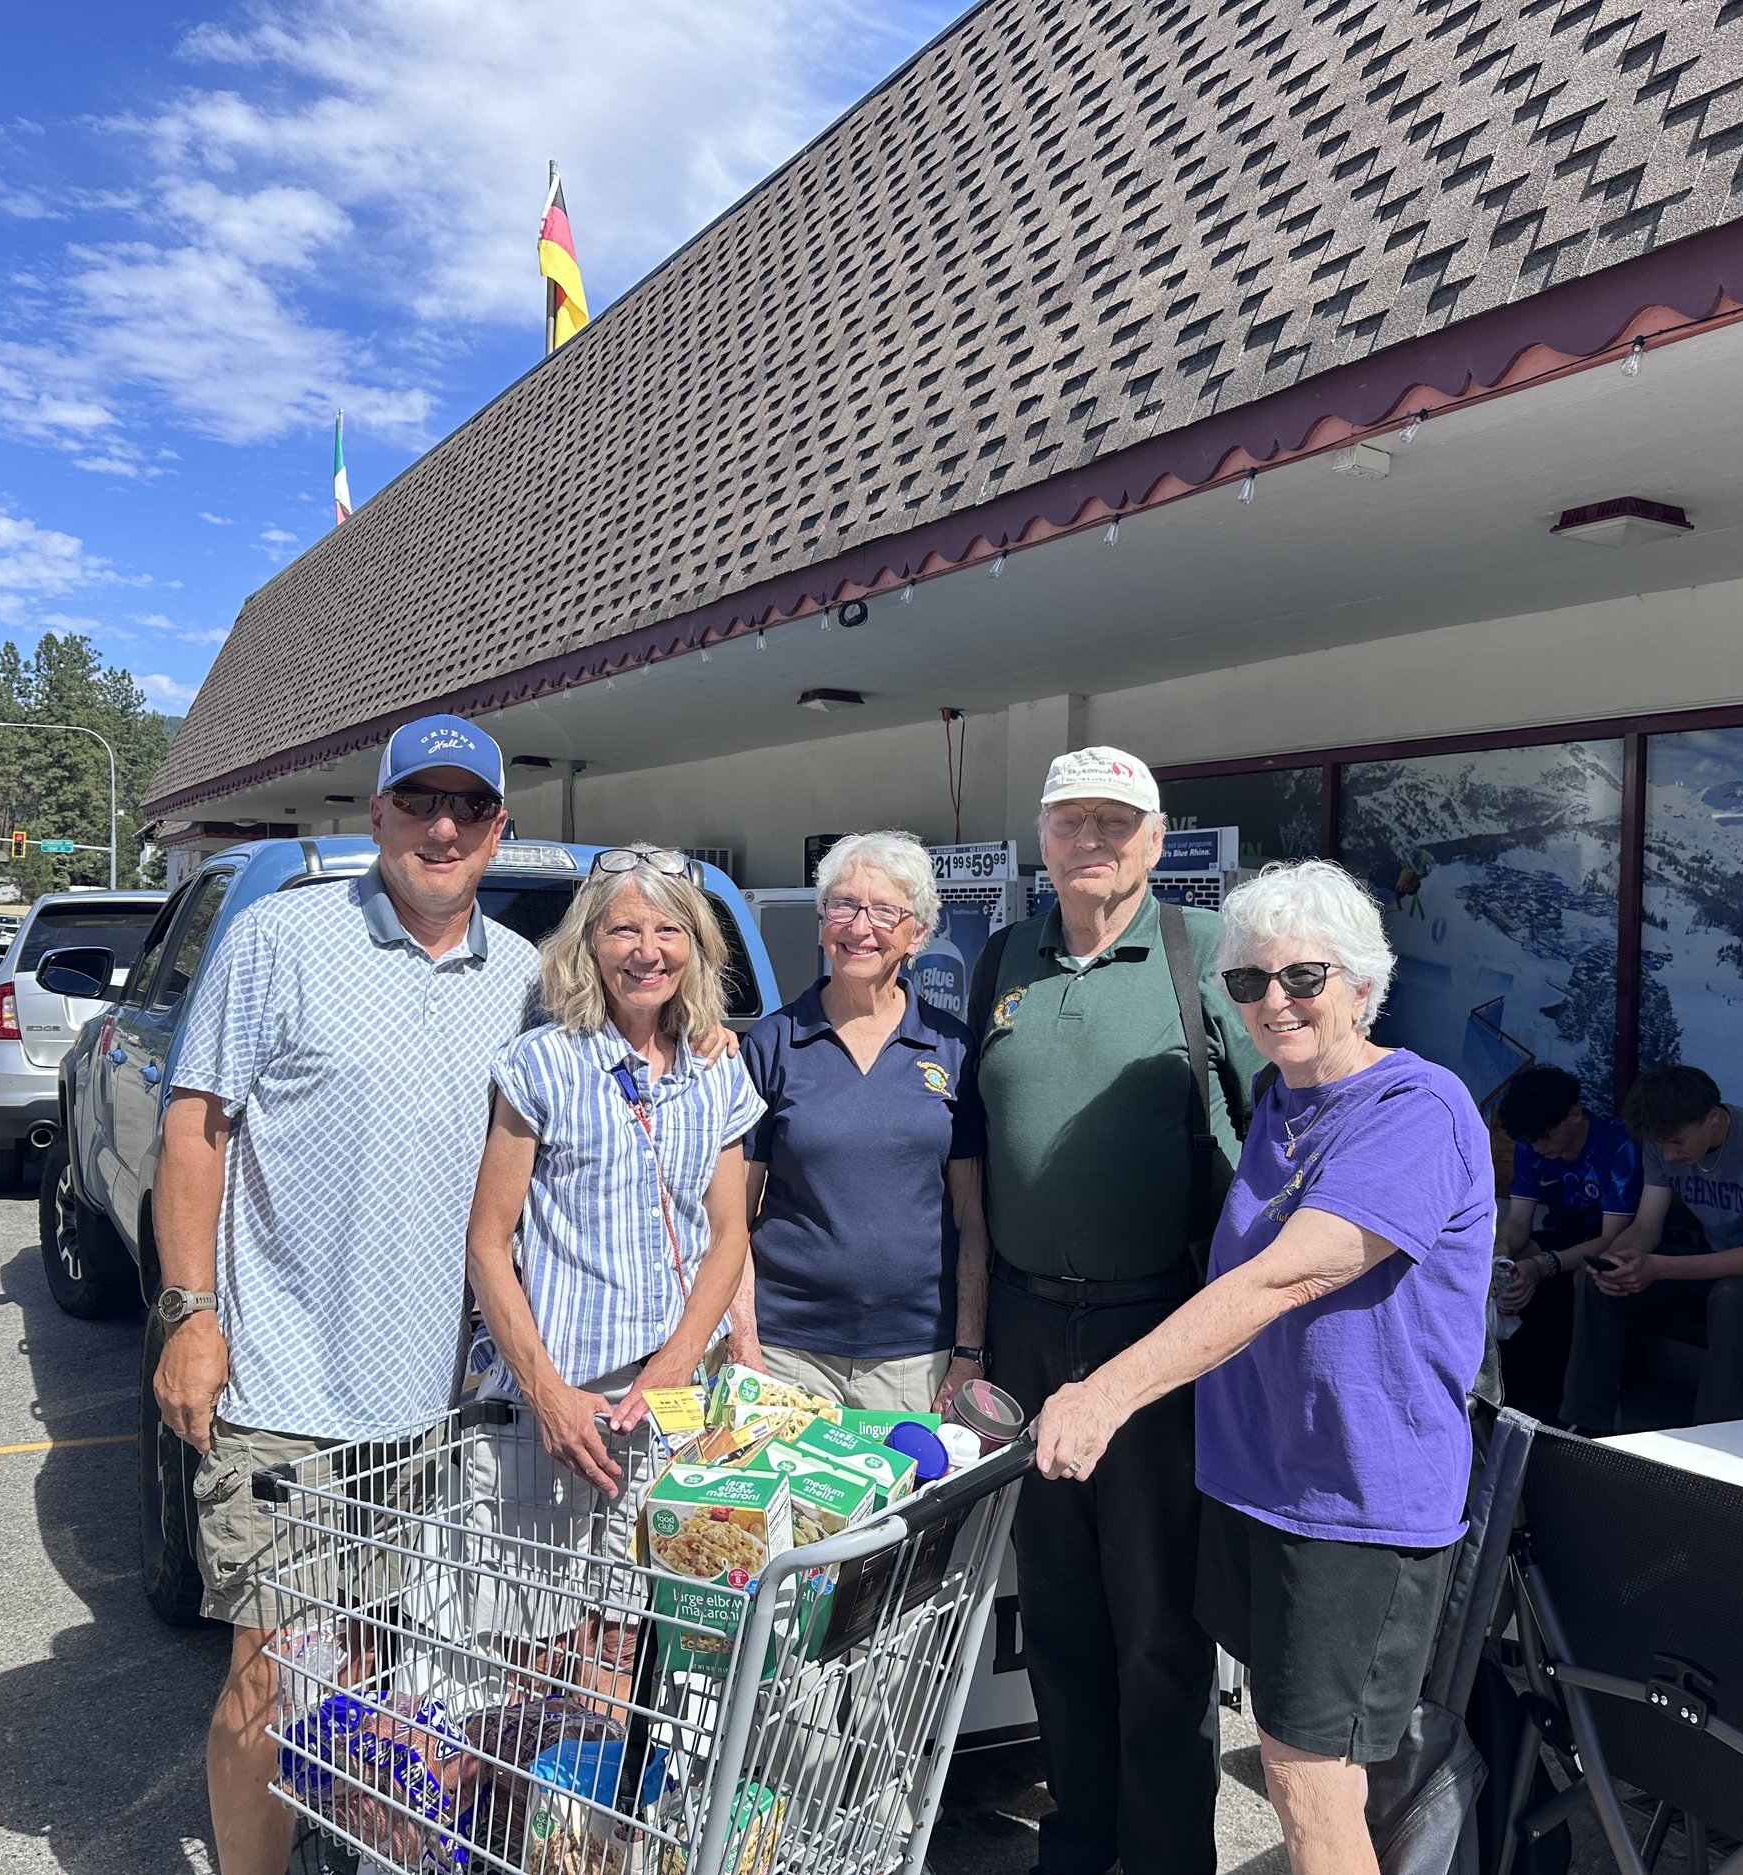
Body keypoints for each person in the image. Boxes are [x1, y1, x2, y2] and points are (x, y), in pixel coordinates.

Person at [1034, 860, 1493, 1875]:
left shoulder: (1416, 1106)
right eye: (1248, 982)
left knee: (1304, 1775)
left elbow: (1289, 1276)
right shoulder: (1281, 1102)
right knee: (1303, 1762)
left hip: (1353, 1499)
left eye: (1302, 977)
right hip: (1258, 1484)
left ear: (1362, 983)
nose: (1273, 1001)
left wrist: (1106, 1392)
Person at [153, 714, 539, 1875]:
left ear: (498, 829)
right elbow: (194, 1131)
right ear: (375, 814)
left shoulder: (523, 976)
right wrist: (190, 1314)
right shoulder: (281, 936)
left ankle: (332, 1842)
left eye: (468, 806)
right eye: (419, 801)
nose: (442, 827)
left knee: (365, 1664)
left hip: (432, 1405)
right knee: (272, 1676)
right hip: (283, 1387)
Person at [962, 746, 1262, 1875]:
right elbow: (971, 1145)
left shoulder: (1205, 954)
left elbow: (1283, 1123)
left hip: (1158, 1329)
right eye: (1071, 820)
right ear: (1042, 838)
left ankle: (1169, 1854)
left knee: (1159, 1625)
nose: (1091, 840)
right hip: (1029, 1332)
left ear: (1156, 836)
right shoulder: (1003, 958)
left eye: (1115, 821)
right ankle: (1079, 1844)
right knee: (1059, 1613)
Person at [462, 843, 763, 1558]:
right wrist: (548, 1396)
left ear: (695, 946)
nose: (646, 952)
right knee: (532, 1619)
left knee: (637, 1615)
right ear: (589, 944)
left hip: (673, 1404)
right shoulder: (542, 1063)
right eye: (623, 929)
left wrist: (674, 1366)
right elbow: (487, 1243)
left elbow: (728, 1236)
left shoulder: (717, 1069)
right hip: (555, 1404)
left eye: (668, 931)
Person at [729, 830, 992, 1412]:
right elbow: (733, 1217)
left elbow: (971, 1218)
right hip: (787, 1351)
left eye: (884, 911)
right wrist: (743, 1343)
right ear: (822, 922)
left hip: (916, 1357)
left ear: (917, 933)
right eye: (843, 905)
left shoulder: (952, 1048)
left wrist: (969, 1349)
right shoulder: (772, 1044)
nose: (859, 926)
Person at [1561, 1062, 1743, 1433]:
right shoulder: (1661, 1142)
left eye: (1677, 1143)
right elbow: (1646, 1227)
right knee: (1597, 1280)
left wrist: (1656, 1267)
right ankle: (1584, 1424)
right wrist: (1618, 1260)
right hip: (1719, 1265)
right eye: (1661, 1145)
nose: (1669, 1155)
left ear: (1713, 1117)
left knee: (1734, 1296)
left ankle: (1717, 1438)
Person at [1490, 1065, 1642, 1418]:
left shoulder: (1618, 1145)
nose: (1538, 1148)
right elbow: (1519, 1221)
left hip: (1613, 1244)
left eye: (1545, 1137)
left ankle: (1558, 1409)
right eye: (1531, 1141)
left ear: (1574, 1114)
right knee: (1512, 1276)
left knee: (1567, 1285)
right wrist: (1501, 1256)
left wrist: (1543, 1265)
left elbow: (1612, 1237)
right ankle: (1507, 1399)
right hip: (1561, 1235)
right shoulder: (1531, 1145)